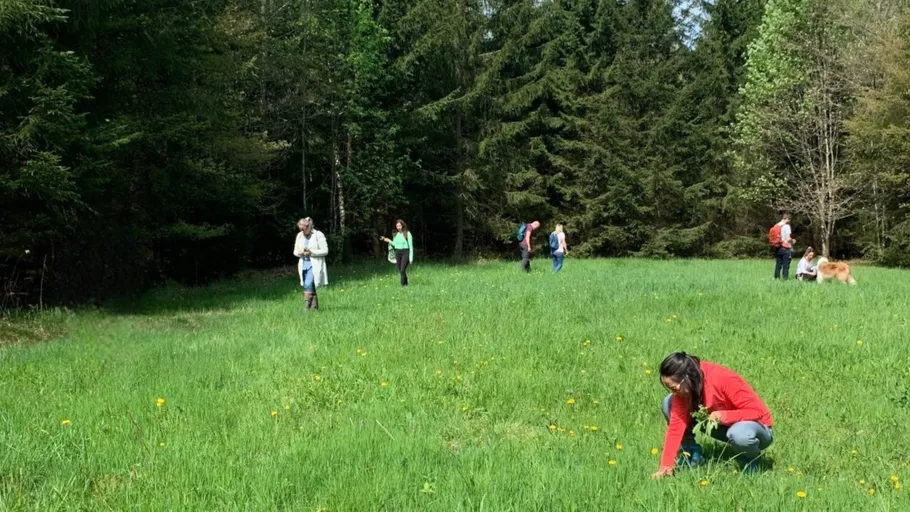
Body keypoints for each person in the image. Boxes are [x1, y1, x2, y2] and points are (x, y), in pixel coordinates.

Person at [652, 352, 773, 478]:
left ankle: (750, 460)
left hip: (757, 429)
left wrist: (724, 416)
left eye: (674, 388)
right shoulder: (686, 387)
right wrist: (666, 466)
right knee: (668, 403)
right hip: (723, 426)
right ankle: (692, 454)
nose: (674, 392)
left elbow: (758, 412)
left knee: (739, 434)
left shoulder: (721, 378)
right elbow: (676, 427)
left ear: (686, 378)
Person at [294, 217, 329, 311]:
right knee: (310, 285)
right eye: (300, 229)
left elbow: (325, 251)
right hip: (303, 264)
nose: (301, 231)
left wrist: (311, 252)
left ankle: (306, 308)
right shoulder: (299, 236)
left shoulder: (318, 234)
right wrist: (299, 252)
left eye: (303, 229)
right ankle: (314, 308)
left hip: (314, 265)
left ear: (308, 226)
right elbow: (295, 251)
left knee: (308, 284)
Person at [381, 219, 414, 287]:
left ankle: (402, 285)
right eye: (397, 226)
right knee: (401, 270)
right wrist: (388, 240)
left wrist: (411, 257)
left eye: (399, 226)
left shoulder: (407, 233)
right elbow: (395, 244)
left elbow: (411, 246)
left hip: (405, 252)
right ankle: (406, 283)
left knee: (402, 270)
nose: (398, 227)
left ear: (402, 226)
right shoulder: (395, 234)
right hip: (398, 252)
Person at [771, 213, 796, 280]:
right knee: (786, 265)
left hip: (777, 247)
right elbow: (788, 238)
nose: (789, 221)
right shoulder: (786, 226)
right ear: (787, 219)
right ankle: (785, 279)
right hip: (785, 248)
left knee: (778, 264)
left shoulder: (776, 225)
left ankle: (776, 278)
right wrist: (793, 241)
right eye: (789, 220)